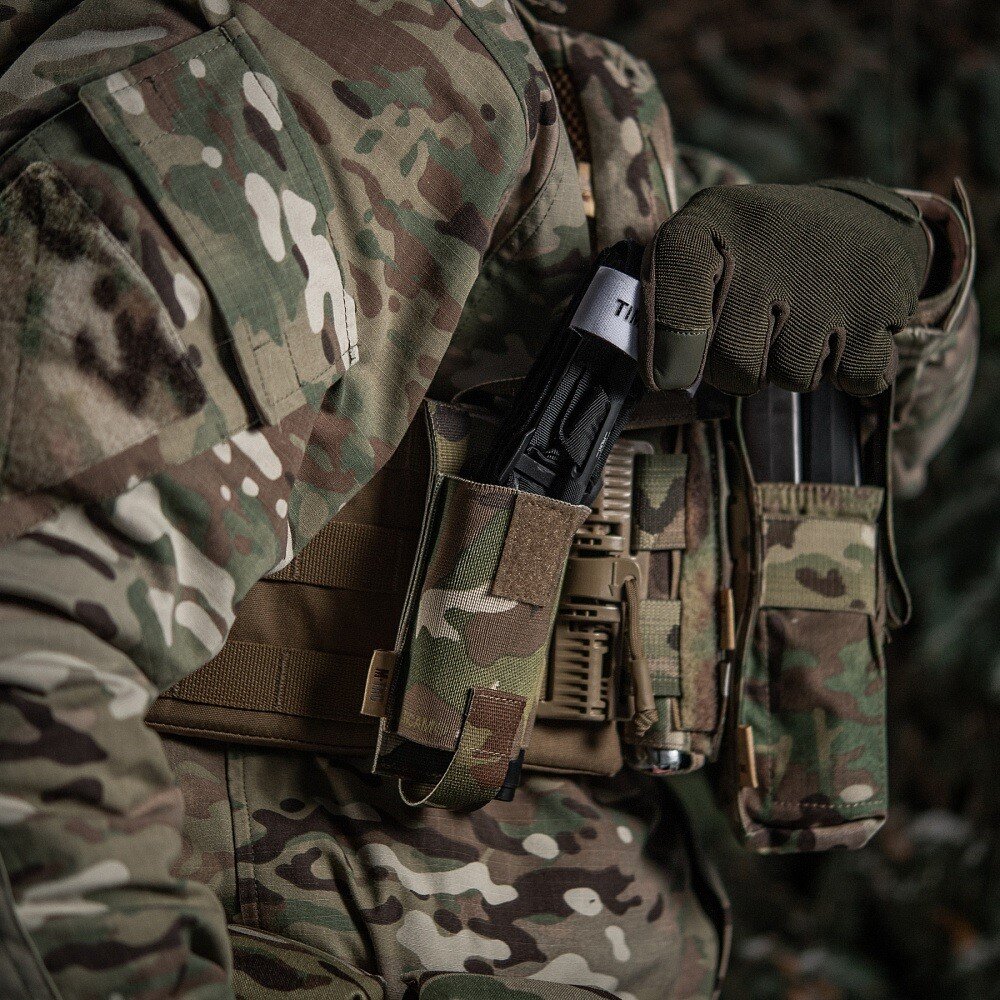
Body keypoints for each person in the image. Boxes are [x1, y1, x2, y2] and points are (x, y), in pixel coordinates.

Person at [0, 0, 977, 997]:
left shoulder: (583, 98)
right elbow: (30, 631)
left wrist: (923, 284)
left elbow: (886, 449)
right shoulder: (317, 61)